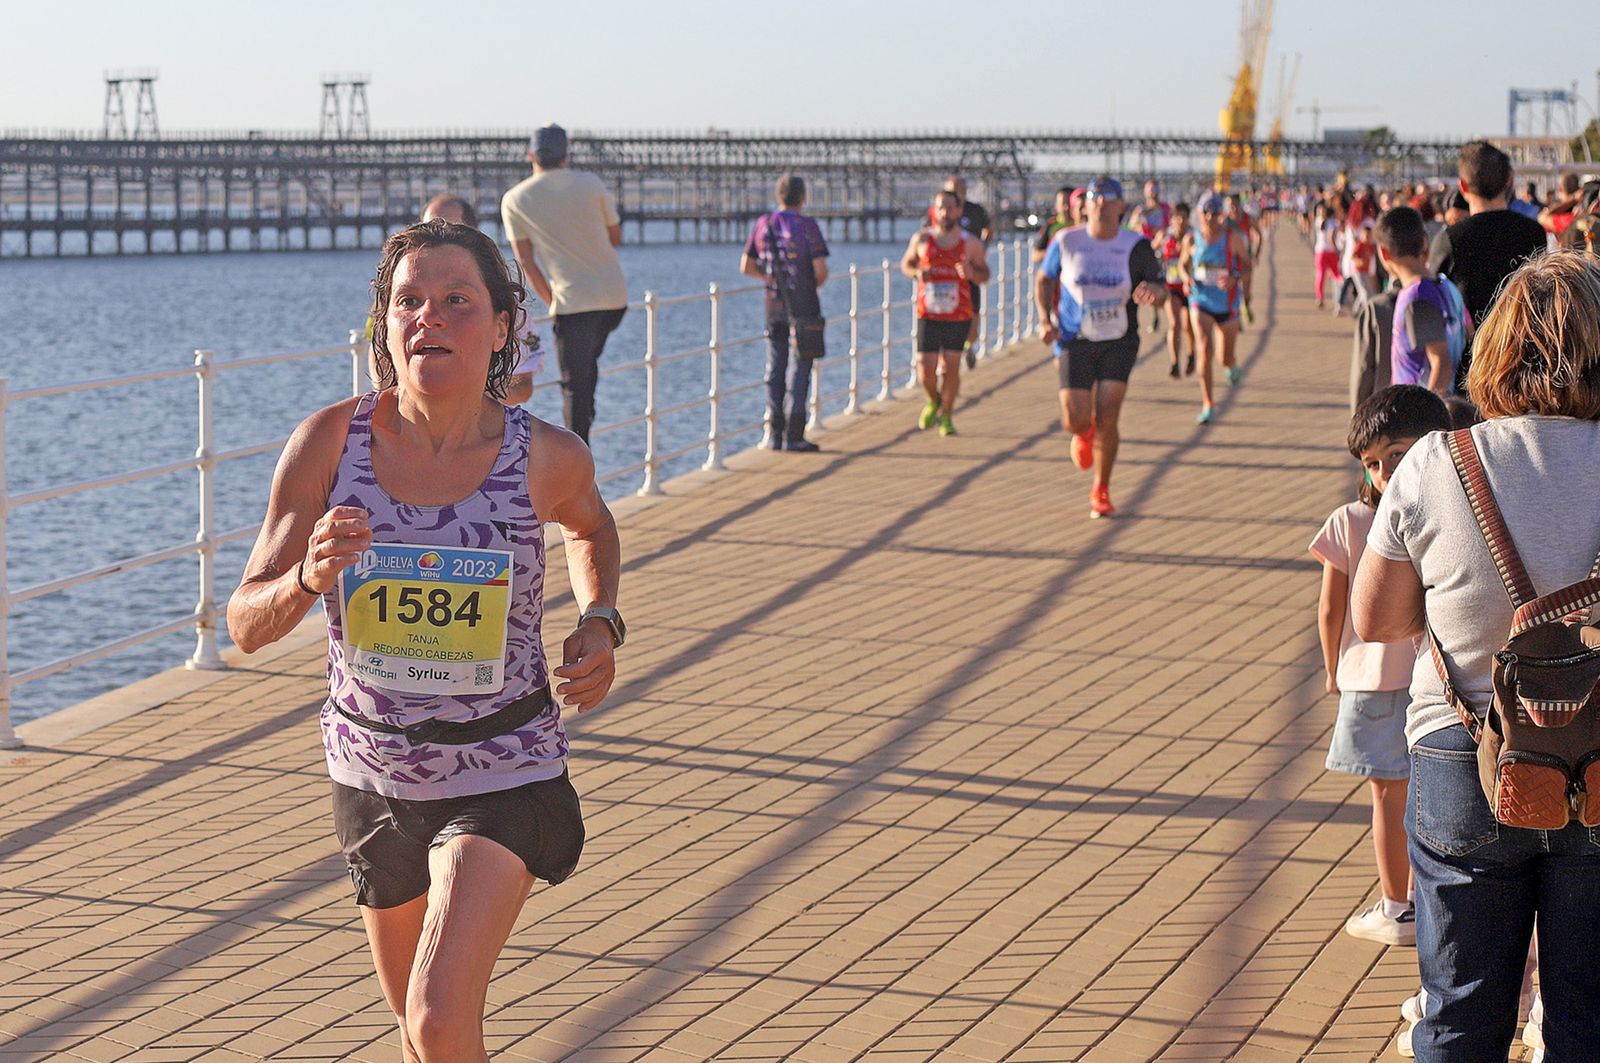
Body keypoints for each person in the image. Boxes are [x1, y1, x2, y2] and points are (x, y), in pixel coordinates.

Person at [226, 219, 624, 1062]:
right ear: (384, 325)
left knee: (440, 1017)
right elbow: (244, 621)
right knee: (419, 1032)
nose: (428, 318)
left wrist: (600, 619)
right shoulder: (331, 445)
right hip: (372, 775)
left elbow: (591, 529)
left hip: (505, 763)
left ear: (501, 326)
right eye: (408, 301)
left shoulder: (546, 456)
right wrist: (305, 579)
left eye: (456, 301)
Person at [1353, 250, 1600, 1061]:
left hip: (1466, 753)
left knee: (1458, 1017)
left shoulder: (1434, 462)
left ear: (1490, 350)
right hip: (1599, 763)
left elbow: (1379, 622)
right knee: (1588, 1019)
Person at [1313, 385, 1451, 951]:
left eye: (1396, 455)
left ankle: (1397, 905)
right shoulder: (1445, 505)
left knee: (1388, 798)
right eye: (1373, 464)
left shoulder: (1348, 522)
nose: (1384, 472)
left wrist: (1332, 670)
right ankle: (1422, 900)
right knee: (1431, 794)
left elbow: (1330, 609)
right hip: (1431, 678)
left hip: (1368, 679)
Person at [1035, 176, 1164, 518]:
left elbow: (1159, 286)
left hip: (1119, 339)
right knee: (1074, 419)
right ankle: (1083, 432)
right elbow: (1044, 279)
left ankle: (1101, 489)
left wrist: (1155, 293)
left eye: (1109, 197)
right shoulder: (1066, 241)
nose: (1101, 203)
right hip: (1074, 339)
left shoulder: (1136, 245)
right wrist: (1045, 320)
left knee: (1109, 413)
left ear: (1122, 206)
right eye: (1095, 196)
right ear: (1085, 205)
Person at [501, 123, 628, 444]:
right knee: (586, 369)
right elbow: (615, 237)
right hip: (615, 298)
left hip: (573, 303)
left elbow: (526, 261)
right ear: (566, 156)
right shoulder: (592, 183)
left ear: (531, 155)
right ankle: (587, 418)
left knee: (574, 384)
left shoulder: (514, 200)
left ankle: (578, 457)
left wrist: (552, 301)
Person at [1427, 140, 1548, 378]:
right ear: (1509, 180)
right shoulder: (1534, 233)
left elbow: (1432, 295)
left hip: (1471, 368)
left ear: (1463, 186)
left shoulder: (1450, 240)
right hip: (1524, 362)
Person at [420, 194, 541, 406]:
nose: (438, 237)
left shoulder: (505, 299)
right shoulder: (403, 299)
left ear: (474, 234)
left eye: (450, 229)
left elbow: (522, 387)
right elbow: (380, 371)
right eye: (428, 228)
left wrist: (451, 402)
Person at [740, 175, 830, 453]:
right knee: (800, 368)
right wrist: (804, 287)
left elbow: (746, 265)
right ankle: (795, 433)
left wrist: (770, 279)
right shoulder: (808, 227)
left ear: (779, 196)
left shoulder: (763, 224)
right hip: (803, 306)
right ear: (803, 198)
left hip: (773, 306)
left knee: (775, 366)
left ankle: (774, 433)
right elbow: (820, 271)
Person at [903, 189, 990, 437]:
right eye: (941, 207)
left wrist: (972, 274)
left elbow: (985, 274)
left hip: (957, 314)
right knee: (924, 368)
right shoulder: (921, 239)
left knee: (952, 367)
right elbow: (906, 263)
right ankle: (934, 400)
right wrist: (917, 273)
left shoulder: (970, 243)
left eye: (951, 208)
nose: (945, 213)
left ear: (959, 211)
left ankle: (947, 416)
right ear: (934, 209)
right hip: (928, 313)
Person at [1376, 207, 1471, 396]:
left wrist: (1428, 419)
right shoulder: (1446, 285)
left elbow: (1442, 365)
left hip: (1417, 411)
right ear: (1425, 242)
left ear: (1384, 253)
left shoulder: (1417, 298)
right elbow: (1470, 333)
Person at [1180, 192, 1252, 424]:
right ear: (1199, 214)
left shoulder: (1233, 238)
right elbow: (1182, 264)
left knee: (1224, 357)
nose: (1210, 217)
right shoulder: (1191, 239)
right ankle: (1208, 403)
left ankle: (1232, 366)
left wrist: (1234, 277)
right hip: (1200, 301)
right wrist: (1185, 279)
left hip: (1226, 303)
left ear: (1222, 215)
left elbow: (1248, 265)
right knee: (1204, 349)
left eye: (1214, 212)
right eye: (1205, 212)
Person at [940, 176, 992, 366]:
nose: (957, 192)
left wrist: (982, 249)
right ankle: (945, 354)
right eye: (952, 189)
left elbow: (989, 229)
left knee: (973, 314)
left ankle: (969, 345)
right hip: (945, 274)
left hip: (970, 271)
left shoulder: (975, 210)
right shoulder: (940, 214)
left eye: (960, 188)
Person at [1154, 201, 1194, 377]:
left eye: (1185, 218)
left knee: (1188, 326)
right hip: (1170, 286)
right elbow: (1150, 249)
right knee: (1174, 324)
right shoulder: (1165, 236)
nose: (1182, 221)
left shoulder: (1193, 236)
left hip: (1189, 287)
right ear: (1173, 219)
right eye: (1178, 218)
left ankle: (1191, 356)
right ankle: (1175, 362)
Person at [1312, 199, 1343, 309]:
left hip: (1320, 251)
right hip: (1331, 251)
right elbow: (1331, 237)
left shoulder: (1318, 221)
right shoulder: (1333, 222)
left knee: (1320, 275)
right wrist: (1336, 249)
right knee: (1336, 274)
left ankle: (1320, 297)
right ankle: (1340, 297)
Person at [1031, 186, 1074, 264]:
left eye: (1069, 203)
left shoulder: (1082, 225)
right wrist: (1055, 252)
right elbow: (1035, 256)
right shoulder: (1050, 226)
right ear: (1056, 205)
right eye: (1063, 203)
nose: (1066, 208)